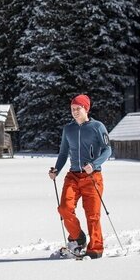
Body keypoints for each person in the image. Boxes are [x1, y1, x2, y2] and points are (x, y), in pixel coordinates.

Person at [48, 94, 111, 258]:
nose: (75, 112)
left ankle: (95, 249)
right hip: (73, 176)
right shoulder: (68, 129)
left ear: (86, 109)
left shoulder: (97, 127)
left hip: (92, 177)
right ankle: (78, 236)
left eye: (78, 108)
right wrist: (56, 170)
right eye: (72, 109)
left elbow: (107, 150)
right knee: (64, 208)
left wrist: (94, 165)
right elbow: (63, 153)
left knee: (93, 215)